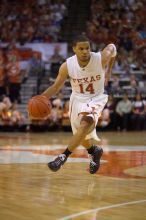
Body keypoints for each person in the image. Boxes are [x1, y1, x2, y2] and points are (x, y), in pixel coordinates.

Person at [40, 34, 117, 174]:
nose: (85, 51)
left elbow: (112, 47)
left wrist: (109, 70)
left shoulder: (101, 58)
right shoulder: (67, 66)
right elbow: (56, 87)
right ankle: (94, 150)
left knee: (85, 124)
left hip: (96, 98)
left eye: (87, 48)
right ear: (74, 49)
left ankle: (63, 157)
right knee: (81, 136)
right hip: (77, 99)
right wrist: (41, 98)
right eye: (81, 48)